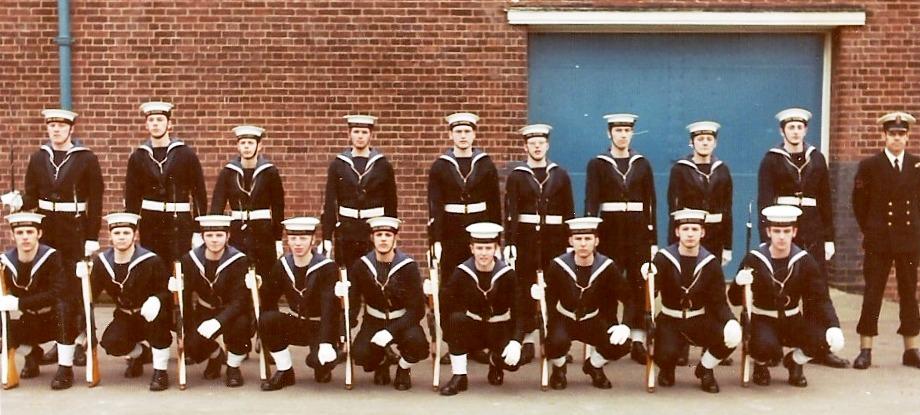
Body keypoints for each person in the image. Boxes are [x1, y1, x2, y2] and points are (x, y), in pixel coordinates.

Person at [1, 108, 104, 366]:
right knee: (51, 286)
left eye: (60, 125)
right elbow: (32, 195)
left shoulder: (86, 158)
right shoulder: (39, 158)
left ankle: (82, 339)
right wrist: (18, 201)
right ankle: (59, 342)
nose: (55, 130)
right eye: (51, 125)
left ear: (71, 129)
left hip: (74, 228)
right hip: (48, 227)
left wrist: (92, 236)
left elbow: (96, 199)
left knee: (76, 285)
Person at [756, 108, 846, 368]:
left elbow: (826, 201)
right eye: (790, 127)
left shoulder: (816, 158)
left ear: (806, 130)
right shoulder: (771, 159)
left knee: (816, 289)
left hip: (813, 229)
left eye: (800, 127)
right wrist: (766, 237)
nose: (795, 131)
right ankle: (776, 339)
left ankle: (819, 347)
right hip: (784, 229)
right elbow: (764, 199)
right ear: (782, 131)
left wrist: (829, 238)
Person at [729, 205, 844, 387]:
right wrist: (738, 282)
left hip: (792, 319)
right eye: (776, 231)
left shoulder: (804, 261)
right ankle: (761, 365)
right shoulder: (754, 259)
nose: (781, 236)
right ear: (768, 232)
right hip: (763, 320)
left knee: (824, 341)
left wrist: (833, 326)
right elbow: (734, 299)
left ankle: (795, 362)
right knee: (766, 349)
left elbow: (820, 298)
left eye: (786, 231)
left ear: (794, 232)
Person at [584, 113, 656, 364]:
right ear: (609, 133)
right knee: (608, 283)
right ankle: (610, 333)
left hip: (636, 232)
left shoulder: (642, 163)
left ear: (632, 133)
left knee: (637, 284)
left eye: (627, 130)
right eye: (618, 130)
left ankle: (637, 338)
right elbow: (591, 201)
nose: (622, 135)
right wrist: (591, 235)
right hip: (610, 231)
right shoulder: (598, 163)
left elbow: (650, 204)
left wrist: (652, 239)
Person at [851, 111, 920, 370]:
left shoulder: (916, 165)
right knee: (873, 294)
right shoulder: (870, 166)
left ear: (908, 137)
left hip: (908, 241)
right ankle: (865, 349)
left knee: (909, 294)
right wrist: (871, 229)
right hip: (879, 240)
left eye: (902, 134)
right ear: (884, 135)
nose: (897, 139)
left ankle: (911, 349)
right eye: (892, 134)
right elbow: (859, 203)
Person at [644, 209, 740, 393]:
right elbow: (650, 294)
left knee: (730, 337)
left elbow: (719, 302)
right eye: (685, 228)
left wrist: (731, 321)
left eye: (695, 229)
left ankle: (705, 368)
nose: (690, 233)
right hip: (670, 319)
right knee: (664, 354)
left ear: (702, 232)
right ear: (677, 232)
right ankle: (667, 369)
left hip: (698, 319)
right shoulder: (663, 258)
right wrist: (647, 280)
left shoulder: (711, 263)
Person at [503, 123, 575, 364]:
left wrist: (569, 241)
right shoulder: (517, 175)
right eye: (532, 143)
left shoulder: (560, 174)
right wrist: (510, 242)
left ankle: (556, 339)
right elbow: (510, 211)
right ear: (525, 146)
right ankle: (528, 341)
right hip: (526, 238)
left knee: (555, 288)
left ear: (547, 145)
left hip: (554, 239)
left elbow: (569, 210)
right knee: (524, 290)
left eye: (541, 143)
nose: (537, 147)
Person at [539, 217, 633, 390]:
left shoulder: (607, 266)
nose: (583, 244)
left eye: (588, 239)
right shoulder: (557, 265)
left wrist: (625, 325)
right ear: (570, 241)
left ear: (596, 241)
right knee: (552, 342)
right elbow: (548, 297)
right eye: (578, 239)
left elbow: (629, 298)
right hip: (564, 318)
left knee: (622, 344)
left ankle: (594, 365)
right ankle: (559, 368)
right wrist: (539, 296)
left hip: (593, 319)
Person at [439, 223, 524, 396]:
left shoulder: (507, 274)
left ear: (496, 249)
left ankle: (495, 362)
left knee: (514, 362)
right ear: (471, 248)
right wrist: (450, 334)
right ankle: (459, 376)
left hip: (499, 329)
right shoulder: (462, 272)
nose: (483, 253)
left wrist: (516, 340)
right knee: (456, 319)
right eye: (479, 248)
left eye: (488, 248)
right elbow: (446, 303)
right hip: (473, 329)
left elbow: (519, 310)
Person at [90, 212, 172, 391]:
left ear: (134, 235)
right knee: (111, 343)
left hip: (150, 314)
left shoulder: (151, 260)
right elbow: (91, 294)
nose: (121, 237)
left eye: (126, 233)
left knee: (159, 331)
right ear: (110, 235)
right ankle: (141, 353)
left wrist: (157, 299)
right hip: (125, 316)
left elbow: (166, 290)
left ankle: (160, 371)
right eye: (117, 233)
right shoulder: (102, 262)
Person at [169, 215, 253, 387]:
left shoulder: (239, 260)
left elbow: (240, 301)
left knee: (241, 325)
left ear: (228, 236)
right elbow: (185, 298)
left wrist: (218, 321)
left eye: (219, 235)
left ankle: (233, 366)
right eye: (209, 235)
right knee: (190, 345)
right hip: (204, 310)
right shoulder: (189, 260)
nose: (214, 240)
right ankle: (215, 355)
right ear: (202, 236)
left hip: (231, 313)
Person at [347, 216, 428, 390]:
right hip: (374, 320)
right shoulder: (361, 266)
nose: (383, 239)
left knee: (418, 344)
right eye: (379, 235)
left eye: (388, 235)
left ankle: (403, 368)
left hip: (402, 321)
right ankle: (382, 362)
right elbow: (353, 303)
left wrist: (390, 332)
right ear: (372, 238)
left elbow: (417, 310)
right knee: (360, 353)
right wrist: (345, 326)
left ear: (395, 238)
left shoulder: (408, 266)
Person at [258, 217, 339, 390]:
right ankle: (285, 371)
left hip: (321, 325)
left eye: (303, 238)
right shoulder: (283, 265)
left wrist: (325, 342)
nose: (298, 243)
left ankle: (328, 359)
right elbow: (269, 297)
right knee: (267, 320)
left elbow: (328, 308)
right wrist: (256, 285)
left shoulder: (327, 267)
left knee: (318, 362)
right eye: (293, 238)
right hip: (297, 323)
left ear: (312, 240)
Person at [0, 212, 78, 389]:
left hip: (56, 319)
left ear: (39, 234)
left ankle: (65, 369)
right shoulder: (5, 261)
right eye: (20, 233)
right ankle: (32, 355)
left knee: (64, 307)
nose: (25, 237)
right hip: (30, 320)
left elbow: (57, 293)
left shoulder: (52, 257)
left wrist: (18, 303)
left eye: (30, 232)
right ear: (13, 235)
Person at [124, 101, 208, 265]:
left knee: (179, 269)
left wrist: (198, 229)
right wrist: (131, 229)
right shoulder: (138, 157)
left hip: (179, 221)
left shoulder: (186, 154)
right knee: (151, 266)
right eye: (151, 120)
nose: (155, 124)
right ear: (146, 125)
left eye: (160, 120)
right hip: (150, 221)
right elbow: (132, 196)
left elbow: (199, 193)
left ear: (169, 124)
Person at [210, 125, 285, 282]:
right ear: (238, 145)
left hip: (263, 231)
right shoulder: (228, 172)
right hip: (237, 230)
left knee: (265, 276)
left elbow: (278, 206)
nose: (246, 147)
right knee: (238, 274)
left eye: (250, 143)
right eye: (243, 143)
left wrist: (278, 238)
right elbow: (217, 205)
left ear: (259, 145)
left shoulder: (270, 172)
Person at [320, 115, 397, 269]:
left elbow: (391, 202)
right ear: (349, 134)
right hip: (347, 229)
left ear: (371, 135)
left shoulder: (383, 165)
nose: (360, 136)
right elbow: (330, 202)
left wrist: (391, 233)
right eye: (356, 132)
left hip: (374, 228)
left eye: (364, 132)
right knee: (347, 278)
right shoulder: (338, 164)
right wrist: (327, 237)